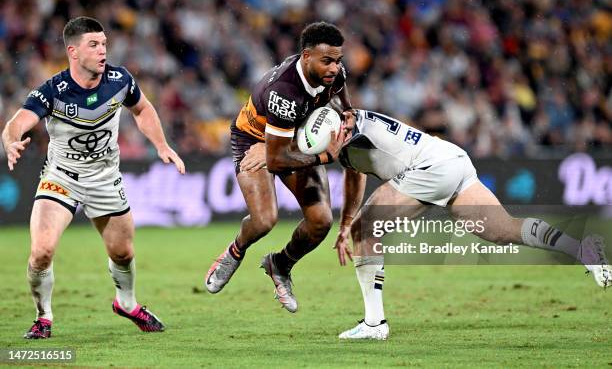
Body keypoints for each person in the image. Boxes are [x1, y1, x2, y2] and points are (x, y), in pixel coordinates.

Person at [330, 109, 611, 340]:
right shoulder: (347, 126)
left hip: (429, 168)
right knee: (503, 230)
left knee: (364, 229)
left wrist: (346, 225)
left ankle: (374, 323)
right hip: (451, 158)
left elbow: (341, 144)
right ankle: (581, 248)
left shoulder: (348, 128)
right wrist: (344, 222)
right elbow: (354, 171)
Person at [1, 16, 185, 339]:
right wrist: (10, 139)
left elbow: (142, 110)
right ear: (73, 51)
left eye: (104, 44)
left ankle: (126, 304)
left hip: (104, 177)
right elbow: (18, 121)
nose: (103, 51)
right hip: (62, 176)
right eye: (94, 45)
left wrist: (161, 144)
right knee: (41, 250)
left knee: (123, 253)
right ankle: (43, 317)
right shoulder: (53, 91)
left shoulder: (119, 80)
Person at [204, 22, 351, 313]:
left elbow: (343, 102)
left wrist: (348, 115)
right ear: (306, 57)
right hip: (254, 140)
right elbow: (276, 159)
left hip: (290, 136)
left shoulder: (334, 74)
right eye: (327, 61)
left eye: (337, 60)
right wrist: (324, 158)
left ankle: (280, 264)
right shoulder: (285, 91)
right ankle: (235, 251)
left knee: (320, 221)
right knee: (264, 220)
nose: (334, 68)